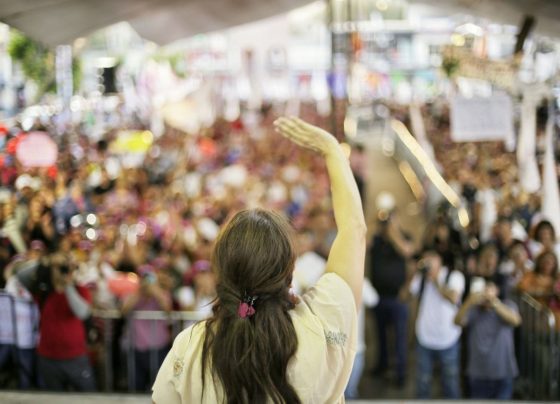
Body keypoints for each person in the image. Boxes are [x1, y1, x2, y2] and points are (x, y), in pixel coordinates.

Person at [152, 116, 366, 403]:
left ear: (222, 272)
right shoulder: (323, 324)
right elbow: (354, 229)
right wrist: (332, 150)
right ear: (289, 270)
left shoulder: (192, 346)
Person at [17, 253, 96, 391]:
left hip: (75, 358)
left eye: (63, 268)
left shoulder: (80, 290)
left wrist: (68, 285)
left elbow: (82, 313)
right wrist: (45, 261)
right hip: (48, 359)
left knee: (88, 396)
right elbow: (20, 275)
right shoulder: (43, 291)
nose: (60, 271)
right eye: (57, 268)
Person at [410, 249, 464, 399]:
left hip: (448, 340)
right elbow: (406, 296)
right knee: (422, 383)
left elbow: (453, 298)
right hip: (424, 339)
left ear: (440, 260)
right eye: (425, 258)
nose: (427, 262)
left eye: (431, 258)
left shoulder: (454, 276)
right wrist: (412, 272)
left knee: (450, 384)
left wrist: (434, 281)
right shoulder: (421, 278)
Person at [369, 209, 415, 386]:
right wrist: (375, 226)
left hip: (397, 298)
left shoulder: (404, 236)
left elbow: (407, 251)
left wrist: (393, 232)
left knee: (399, 337)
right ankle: (382, 365)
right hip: (378, 296)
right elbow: (364, 245)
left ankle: (400, 373)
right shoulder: (377, 239)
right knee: (380, 336)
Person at [455, 281, 521, 399]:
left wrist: (494, 303)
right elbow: (457, 321)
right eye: (483, 289)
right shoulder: (474, 310)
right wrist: (469, 301)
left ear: (497, 290)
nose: (485, 293)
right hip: (478, 374)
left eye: (489, 288)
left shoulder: (508, 305)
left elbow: (515, 321)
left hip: (503, 373)